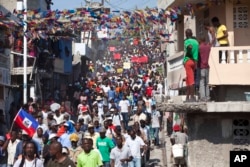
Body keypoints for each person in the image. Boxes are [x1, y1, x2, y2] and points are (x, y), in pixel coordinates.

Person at [183, 29, 199, 102]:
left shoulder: (186, 41)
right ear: (192, 33)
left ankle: (192, 97)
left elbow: (188, 47)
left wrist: (189, 47)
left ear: (186, 34)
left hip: (188, 61)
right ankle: (187, 97)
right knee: (188, 80)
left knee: (191, 81)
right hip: (194, 61)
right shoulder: (196, 42)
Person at [198, 36, 211, 101]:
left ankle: (203, 97)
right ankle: (207, 97)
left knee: (202, 82)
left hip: (201, 66)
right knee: (207, 83)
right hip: (207, 66)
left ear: (200, 40)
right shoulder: (208, 47)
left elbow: (197, 56)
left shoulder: (200, 47)